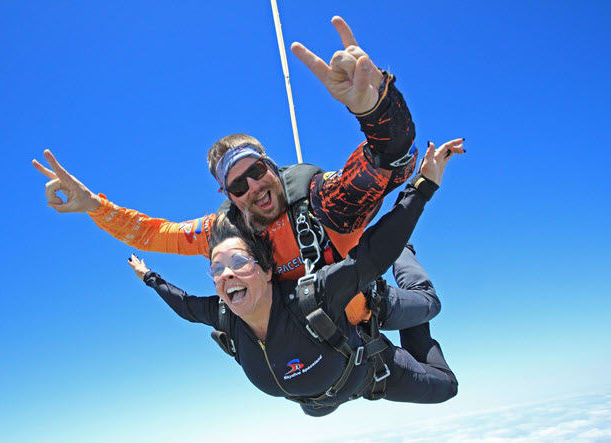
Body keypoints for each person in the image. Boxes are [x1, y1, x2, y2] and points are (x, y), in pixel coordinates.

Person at [32, 16, 466, 323]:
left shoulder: (323, 202)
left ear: (272, 167)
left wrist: (376, 108)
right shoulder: (223, 234)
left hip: (370, 308)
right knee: (316, 403)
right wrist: (93, 205)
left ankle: (406, 260)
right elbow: (148, 233)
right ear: (228, 195)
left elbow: (389, 162)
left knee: (428, 311)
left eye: (257, 170)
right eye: (238, 183)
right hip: (318, 337)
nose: (254, 186)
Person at [126, 141, 460, 416]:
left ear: (266, 269)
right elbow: (185, 306)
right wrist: (148, 277)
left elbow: (372, 255)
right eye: (216, 269)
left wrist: (422, 186)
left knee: (431, 317)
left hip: (369, 361)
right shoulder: (227, 316)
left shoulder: (311, 297)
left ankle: (407, 257)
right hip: (331, 391)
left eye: (239, 262)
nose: (226, 273)